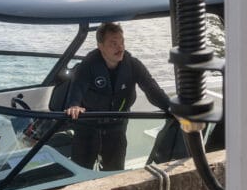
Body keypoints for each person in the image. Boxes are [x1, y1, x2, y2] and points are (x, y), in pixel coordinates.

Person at [63, 22, 171, 171]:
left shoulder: (133, 65)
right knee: (80, 171)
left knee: (115, 172)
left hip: (117, 126)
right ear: (100, 46)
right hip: (88, 126)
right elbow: (77, 88)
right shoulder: (88, 65)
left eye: (122, 42)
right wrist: (73, 105)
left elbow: (151, 89)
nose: (120, 48)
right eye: (113, 43)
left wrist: (170, 107)